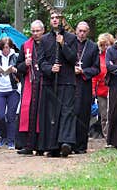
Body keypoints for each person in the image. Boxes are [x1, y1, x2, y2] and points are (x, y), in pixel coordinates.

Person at [39, 12, 78, 157]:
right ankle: (53, 146)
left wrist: (63, 44)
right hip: (50, 83)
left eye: (57, 17)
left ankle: (66, 142)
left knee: (67, 112)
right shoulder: (44, 39)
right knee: (51, 114)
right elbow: (41, 62)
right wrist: (50, 68)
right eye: (52, 18)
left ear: (62, 20)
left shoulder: (71, 38)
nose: (55, 20)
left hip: (67, 81)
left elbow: (73, 58)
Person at [15, 20, 45, 155]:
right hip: (29, 83)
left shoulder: (48, 44)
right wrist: (25, 64)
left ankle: (41, 146)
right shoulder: (25, 46)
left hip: (45, 84)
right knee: (28, 112)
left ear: (43, 31)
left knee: (42, 113)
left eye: (37, 31)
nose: (35, 33)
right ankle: (27, 145)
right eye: (33, 31)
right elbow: (18, 67)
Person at [73, 21, 100, 154]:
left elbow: (96, 68)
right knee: (71, 114)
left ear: (88, 32)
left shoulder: (93, 47)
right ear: (76, 31)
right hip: (71, 84)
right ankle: (69, 143)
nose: (82, 33)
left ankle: (81, 146)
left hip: (84, 85)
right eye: (80, 31)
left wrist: (83, 71)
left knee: (83, 114)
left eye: (84, 31)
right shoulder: (70, 44)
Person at [0, 37, 20, 150]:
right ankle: (3, 136)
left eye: (8, 47)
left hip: (12, 89)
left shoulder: (17, 57)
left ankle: (11, 140)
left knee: (11, 116)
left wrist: (16, 70)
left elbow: (22, 69)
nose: (6, 50)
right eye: (4, 47)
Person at [91, 33, 115, 140]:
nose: (106, 47)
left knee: (113, 114)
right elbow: (94, 76)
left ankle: (115, 135)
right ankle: (107, 136)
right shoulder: (98, 58)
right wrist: (93, 90)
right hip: (101, 91)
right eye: (103, 45)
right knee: (104, 116)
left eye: (108, 45)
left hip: (113, 89)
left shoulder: (115, 57)